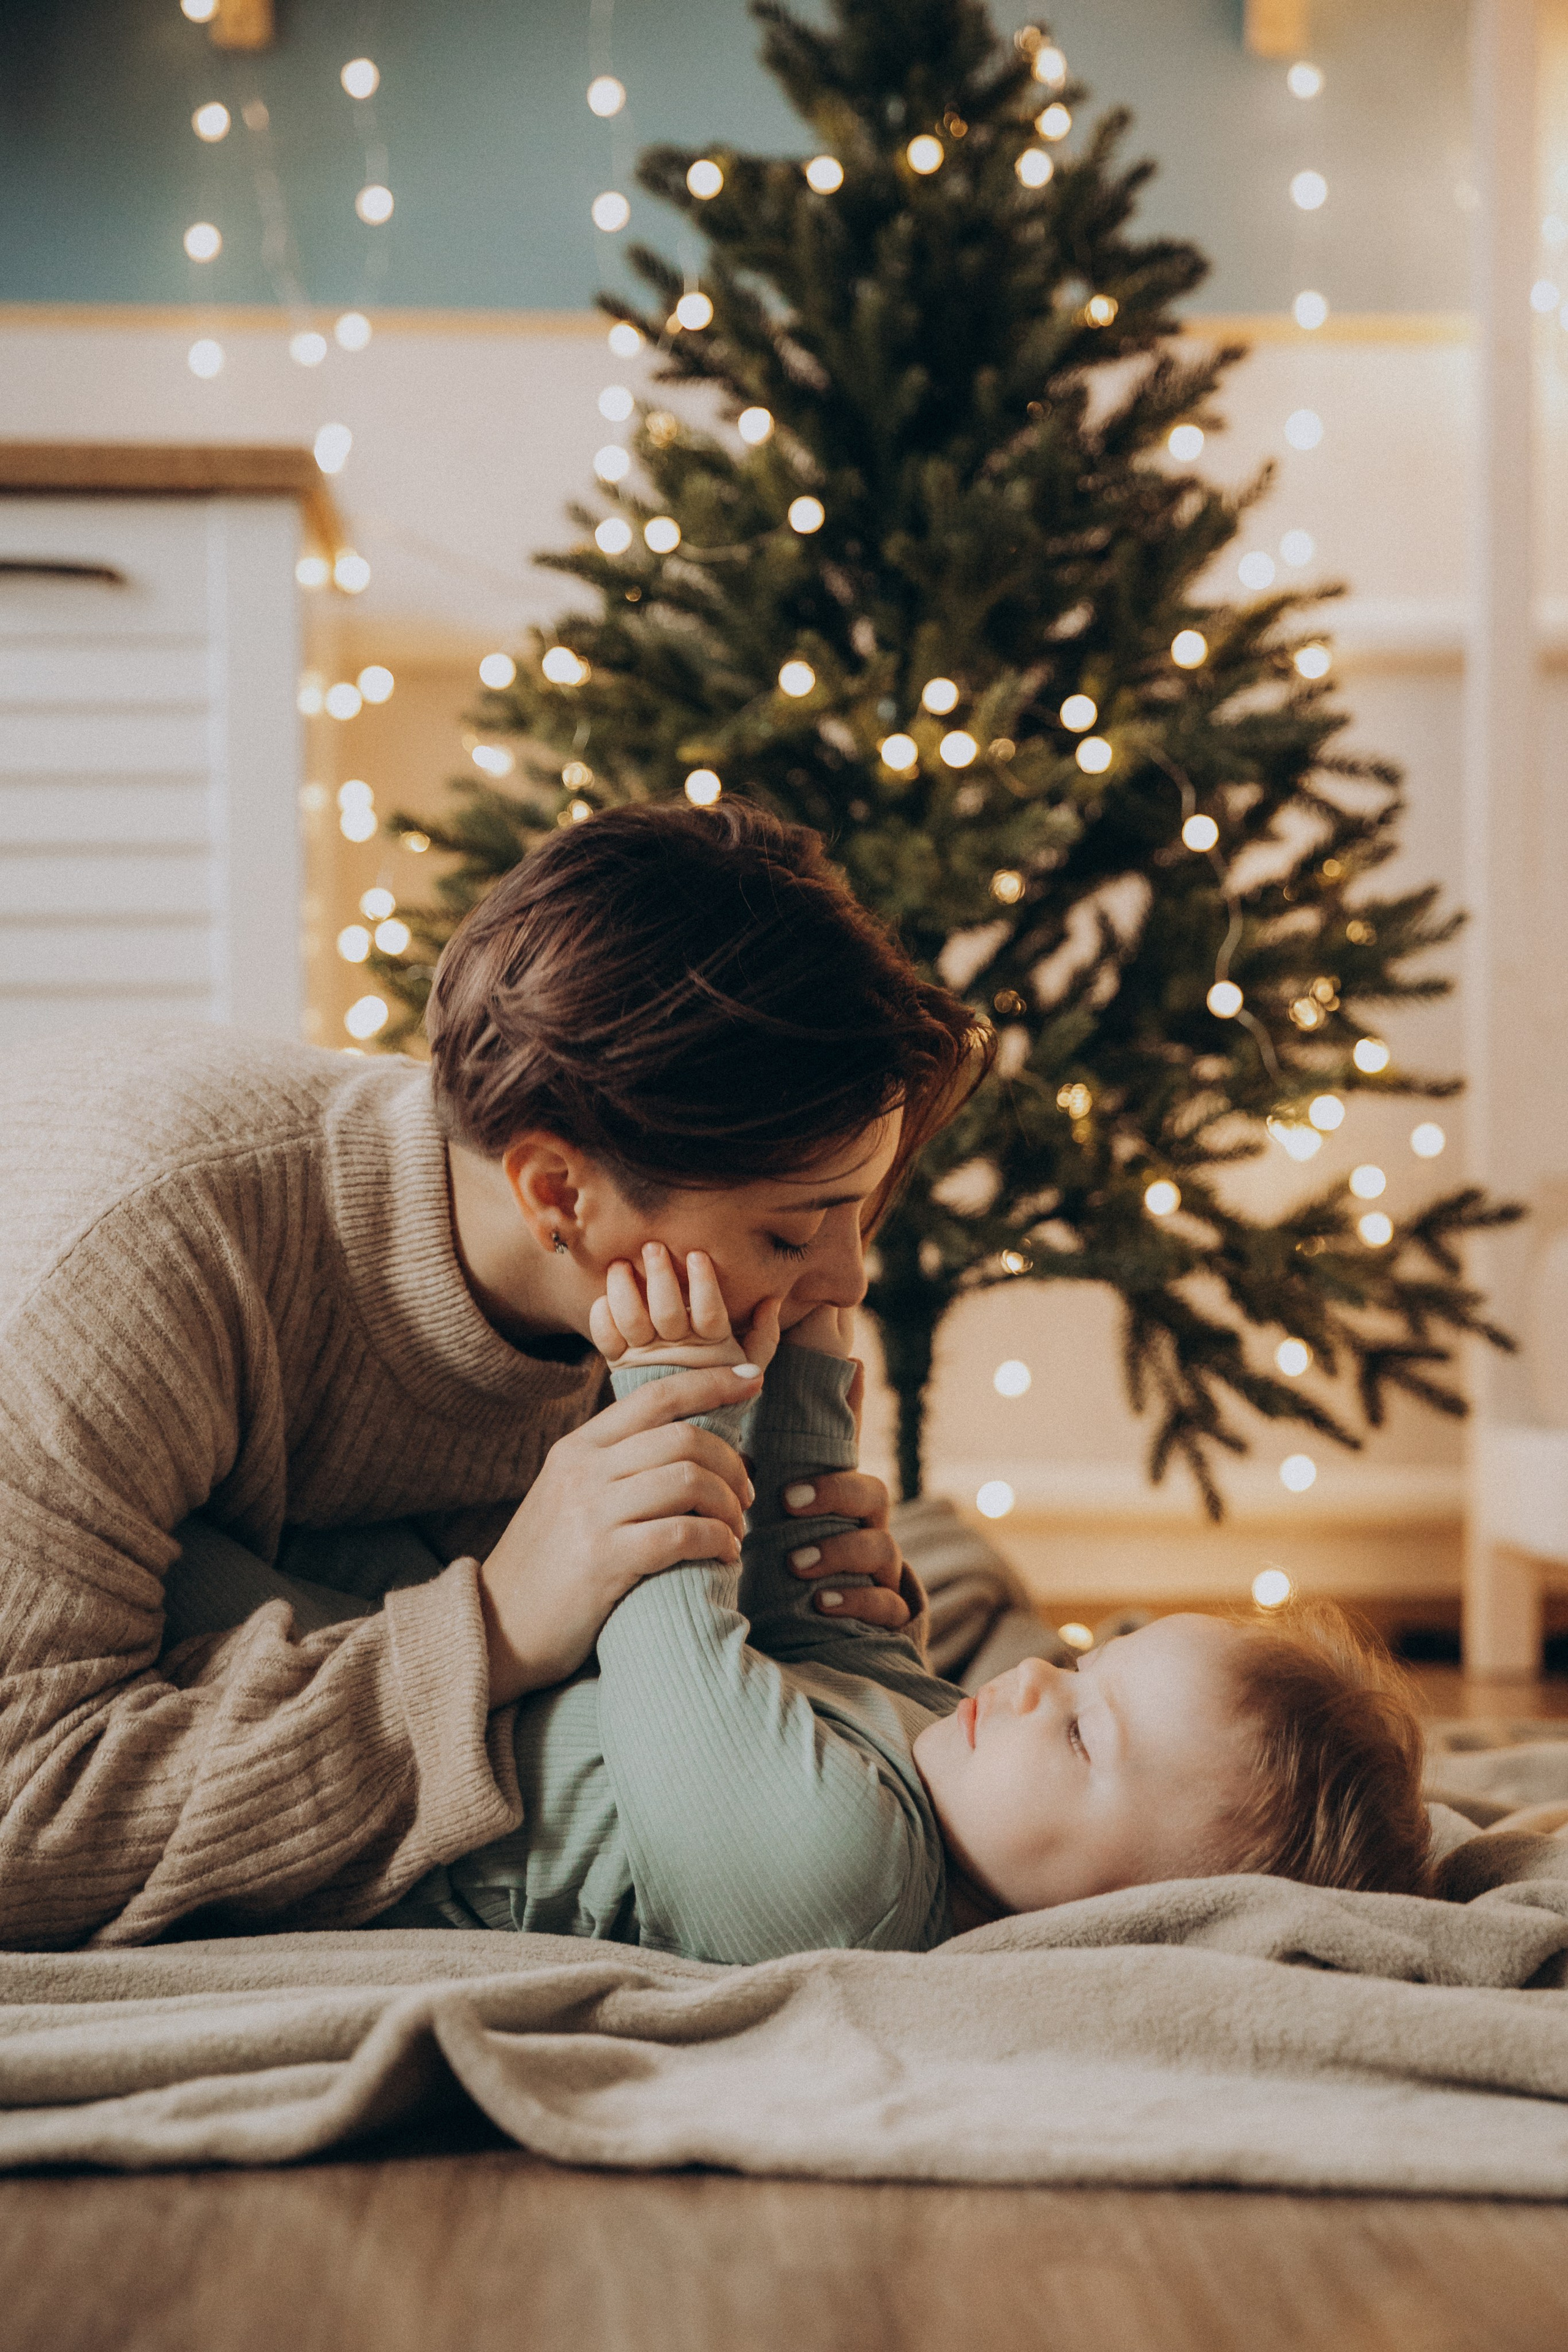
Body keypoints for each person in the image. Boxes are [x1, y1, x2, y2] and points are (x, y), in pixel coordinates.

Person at [0, 802, 980, 1950]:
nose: (851, 1280)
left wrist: (793, 1615)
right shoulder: (147, 1254)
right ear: (559, 1195)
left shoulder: (660, 1303)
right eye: (791, 1231)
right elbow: (24, 1812)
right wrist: (503, 1625)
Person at [375, 1251, 1433, 1964]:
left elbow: (670, 1639)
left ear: (1123, 1920)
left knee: (221, 1603)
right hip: (420, 1669)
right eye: (1077, 1670)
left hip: (370, 1821)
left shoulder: (850, 1889)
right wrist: (805, 1357)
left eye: (1078, 1735)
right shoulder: (944, 1763)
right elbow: (811, 1609)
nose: (1026, 1680)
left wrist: (674, 1387)